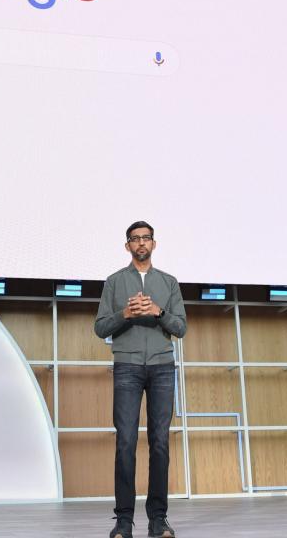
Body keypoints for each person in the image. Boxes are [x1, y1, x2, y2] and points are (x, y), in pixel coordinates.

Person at [95, 221, 187, 538]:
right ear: (128, 246)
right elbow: (100, 328)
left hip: (162, 367)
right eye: (135, 239)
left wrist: (159, 312)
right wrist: (126, 314)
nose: (141, 243)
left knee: (160, 444)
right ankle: (123, 521)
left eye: (146, 238)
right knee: (126, 443)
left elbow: (181, 328)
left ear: (154, 244)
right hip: (127, 367)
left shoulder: (169, 282)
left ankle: (158, 520)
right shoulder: (114, 282)